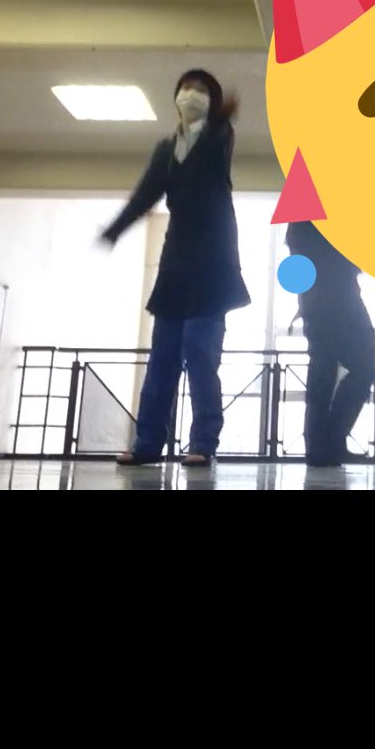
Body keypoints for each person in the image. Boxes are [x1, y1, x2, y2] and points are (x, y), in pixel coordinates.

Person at [100, 70, 251, 467]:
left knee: (200, 353)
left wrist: (220, 116)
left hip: (212, 265)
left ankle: (203, 443)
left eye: (201, 90)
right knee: (162, 358)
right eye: (187, 88)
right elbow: (145, 194)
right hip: (175, 266)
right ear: (175, 97)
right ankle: (147, 444)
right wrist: (114, 229)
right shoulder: (166, 149)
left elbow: (215, 144)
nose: (191, 94)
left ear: (211, 102)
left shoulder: (219, 137)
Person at [285, 221, 375, 467]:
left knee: (324, 369)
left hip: (323, 295)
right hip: (336, 294)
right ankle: (328, 442)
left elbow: (296, 248)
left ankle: (323, 445)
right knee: (357, 366)